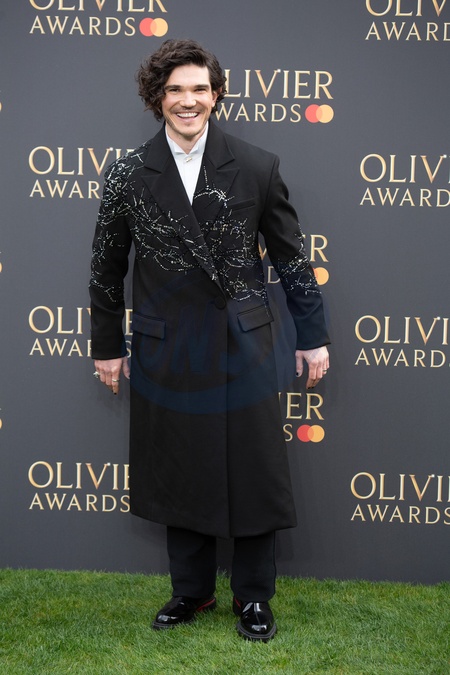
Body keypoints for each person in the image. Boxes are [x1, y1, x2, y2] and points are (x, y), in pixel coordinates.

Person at [89, 39, 330, 642]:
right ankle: (191, 591)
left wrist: (313, 336)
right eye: (175, 90)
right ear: (157, 98)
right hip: (167, 344)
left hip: (242, 342)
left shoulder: (256, 165)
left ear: (216, 95)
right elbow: (106, 268)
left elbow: (291, 258)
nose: (187, 100)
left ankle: (254, 596)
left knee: (253, 470)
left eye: (199, 88)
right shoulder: (127, 173)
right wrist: (107, 345)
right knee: (179, 468)